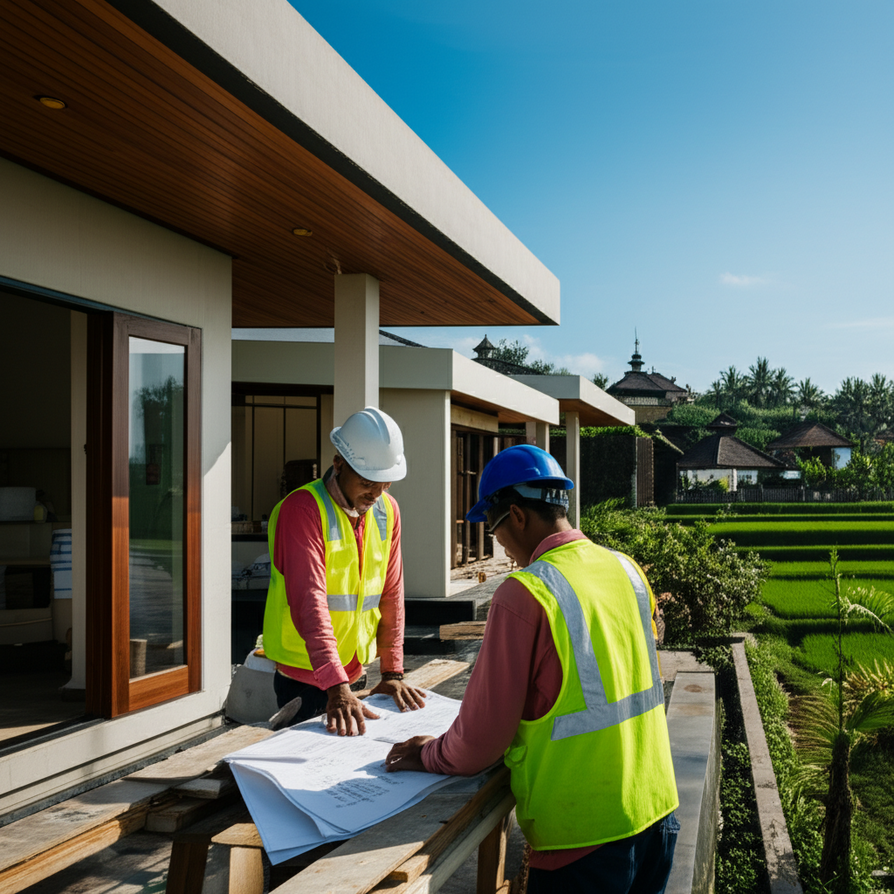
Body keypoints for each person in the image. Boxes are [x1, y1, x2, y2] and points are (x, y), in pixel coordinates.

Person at [385, 444, 679, 894]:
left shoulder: (525, 593)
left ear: (517, 516)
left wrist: (426, 754)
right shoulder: (626, 569)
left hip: (584, 841)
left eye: (495, 528)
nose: (498, 544)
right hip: (657, 813)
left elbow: (480, 741)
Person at [262, 406, 426, 736]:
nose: (376, 494)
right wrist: (335, 686)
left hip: (353, 671)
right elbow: (309, 602)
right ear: (338, 464)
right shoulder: (302, 511)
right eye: (367, 483)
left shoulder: (387, 511)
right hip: (305, 677)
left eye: (385, 484)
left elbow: (392, 594)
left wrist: (392, 672)